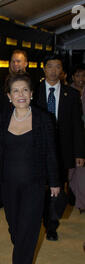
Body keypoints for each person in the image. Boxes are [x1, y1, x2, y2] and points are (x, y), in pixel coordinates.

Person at [0, 73, 60, 264]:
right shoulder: (2, 119)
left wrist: (55, 182)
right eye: (16, 91)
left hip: (34, 185)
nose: (21, 95)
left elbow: (50, 154)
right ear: (9, 96)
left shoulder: (43, 119)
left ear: (32, 94)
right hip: (8, 186)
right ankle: (21, 252)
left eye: (25, 90)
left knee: (28, 230)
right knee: (15, 229)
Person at [34, 55, 85, 241]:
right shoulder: (34, 92)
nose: (54, 70)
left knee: (58, 190)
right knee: (40, 188)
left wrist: (79, 152)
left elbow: (77, 126)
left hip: (62, 151)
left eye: (58, 67)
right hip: (38, 150)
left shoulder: (71, 95)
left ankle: (52, 225)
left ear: (62, 71)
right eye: (50, 66)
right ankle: (38, 219)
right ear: (44, 69)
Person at [0, 49, 29, 209]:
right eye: (13, 61)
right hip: (3, 128)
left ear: (26, 63)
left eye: (19, 61)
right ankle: (2, 198)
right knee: (1, 164)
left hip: (24, 128)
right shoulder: (2, 81)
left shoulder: (30, 83)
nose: (15, 64)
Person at [69, 64, 85, 214]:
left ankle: (81, 202)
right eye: (78, 76)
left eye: (83, 76)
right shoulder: (68, 93)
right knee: (70, 172)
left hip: (83, 138)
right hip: (70, 137)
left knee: (81, 171)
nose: (81, 79)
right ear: (73, 77)